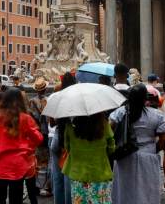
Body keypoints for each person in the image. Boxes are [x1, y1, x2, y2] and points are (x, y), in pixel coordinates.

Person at [110, 83, 165, 204]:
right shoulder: (157, 115)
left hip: (124, 155)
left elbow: (110, 133)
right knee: (147, 191)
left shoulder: (119, 113)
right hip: (148, 156)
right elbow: (164, 139)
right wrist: (153, 149)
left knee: (124, 189)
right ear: (144, 99)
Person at [0, 88, 43, 204]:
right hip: (18, 165)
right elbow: (38, 138)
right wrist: (27, 146)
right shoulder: (25, 118)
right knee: (16, 199)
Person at [62, 111, 114, 204]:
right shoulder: (104, 126)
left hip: (78, 175)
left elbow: (68, 148)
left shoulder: (70, 128)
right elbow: (111, 148)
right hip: (100, 174)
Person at [50, 73, 76, 204]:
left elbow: (51, 123)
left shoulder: (56, 97)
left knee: (57, 179)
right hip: (69, 141)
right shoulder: (76, 99)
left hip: (56, 138)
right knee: (68, 178)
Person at [28, 77, 51, 197]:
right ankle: (45, 186)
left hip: (36, 133)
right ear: (45, 89)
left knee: (37, 159)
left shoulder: (32, 101)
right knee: (46, 159)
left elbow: (31, 118)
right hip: (47, 133)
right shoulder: (49, 100)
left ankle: (37, 185)